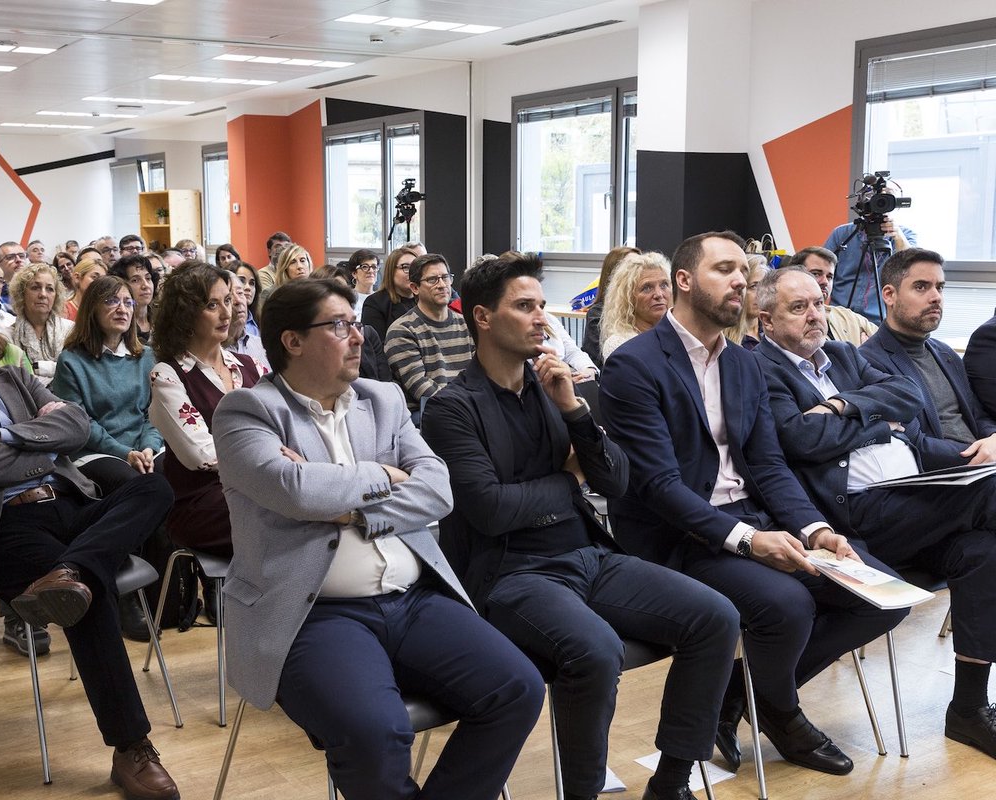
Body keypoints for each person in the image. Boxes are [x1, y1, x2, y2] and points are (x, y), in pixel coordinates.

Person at [420, 252, 739, 800]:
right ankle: (584, 793)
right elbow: (492, 510)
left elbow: (615, 481)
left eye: (541, 305)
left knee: (715, 617)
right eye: (524, 306)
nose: (541, 318)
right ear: (482, 317)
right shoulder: (451, 408)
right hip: (511, 573)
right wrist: (569, 482)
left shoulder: (552, 388)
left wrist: (572, 409)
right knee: (595, 652)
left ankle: (671, 782)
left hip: (586, 553)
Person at [210, 277, 544, 799]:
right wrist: (385, 474)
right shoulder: (247, 412)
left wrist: (350, 512)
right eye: (339, 325)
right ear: (293, 341)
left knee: (518, 689)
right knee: (375, 732)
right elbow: (295, 490)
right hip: (312, 612)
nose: (360, 336)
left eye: (356, 322)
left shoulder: (382, 398)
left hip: (413, 600)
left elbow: (438, 491)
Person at [600, 231, 907, 777]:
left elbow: (767, 465)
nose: (740, 280)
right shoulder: (634, 365)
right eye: (724, 269)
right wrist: (747, 540)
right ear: (684, 282)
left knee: (882, 593)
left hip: (753, 518)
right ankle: (784, 715)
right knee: (787, 604)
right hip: (681, 536)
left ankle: (747, 697)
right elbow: (657, 486)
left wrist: (814, 530)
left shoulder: (743, 364)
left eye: (743, 270)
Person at [0, 279, 181, 800]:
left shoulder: (10, 375)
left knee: (153, 486)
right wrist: (37, 441)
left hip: (65, 501)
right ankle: (133, 748)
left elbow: (77, 426)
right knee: (86, 603)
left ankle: (74, 571)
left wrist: (4, 439)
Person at [754, 265, 996, 760]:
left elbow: (907, 398)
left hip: (915, 495)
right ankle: (754, 690)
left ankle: (967, 709)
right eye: (798, 308)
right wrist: (876, 420)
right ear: (765, 321)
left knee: (984, 551)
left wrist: (840, 407)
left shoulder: (842, 354)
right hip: (855, 513)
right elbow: (800, 438)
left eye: (818, 304)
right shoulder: (760, 369)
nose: (815, 315)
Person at [149, 264, 263, 556]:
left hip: (261, 488)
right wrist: (273, 458)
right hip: (203, 503)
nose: (227, 313)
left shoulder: (250, 366)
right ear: (185, 313)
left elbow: (286, 428)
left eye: (227, 300)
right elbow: (200, 455)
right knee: (291, 519)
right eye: (212, 305)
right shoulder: (168, 375)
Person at [859, 247, 996, 462]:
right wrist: (978, 457)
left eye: (940, 287)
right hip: (946, 476)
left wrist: (994, 439)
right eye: (921, 287)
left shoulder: (946, 353)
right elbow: (913, 442)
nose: (936, 297)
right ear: (889, 295)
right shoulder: (869, 361)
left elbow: (977, 414)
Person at [52, 275, 162, 487]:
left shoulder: (146, 357)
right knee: (138, 484)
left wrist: (149, 447)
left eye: (128, 302)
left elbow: (155, 413)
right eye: (112, 301)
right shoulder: (72, 361)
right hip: (96, 451)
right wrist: (125, 453)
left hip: (145, 447)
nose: (123, 309)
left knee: (176, 473)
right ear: (92, 309)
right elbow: (81, 423)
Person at [384, 254, 472, 415]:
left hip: (469, 406)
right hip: (429, 412)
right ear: (415, 288)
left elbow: (479, 373)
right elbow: (421, 387)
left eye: (445, 277)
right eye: (432, 280)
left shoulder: (467, 323)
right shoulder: (402, 330)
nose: (442, 285)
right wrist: (465, 407)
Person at [823, 214, 916, 323]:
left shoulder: (905, 235)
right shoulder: (842, 234)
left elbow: (913, 269)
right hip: (839, 319)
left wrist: (898, 238)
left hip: (880, 322)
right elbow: (820, 270)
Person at [788, 246, 878, 345]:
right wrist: (863, 354)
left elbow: (888, 345)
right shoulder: (789, 321)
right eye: (816, 274)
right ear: (795, 275)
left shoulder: (846, 316)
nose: (825, 282)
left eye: (829, 276)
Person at [598, 251, 672, 361]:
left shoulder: (677, 334)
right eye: (647, 288)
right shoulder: (620, 343)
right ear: (627, 298)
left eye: (664, 285)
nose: (659, 294)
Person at [9, 263, 74, 386]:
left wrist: (40, 367)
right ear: (22, 293)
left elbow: (75, 371)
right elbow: (15, 379)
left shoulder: (71, 330)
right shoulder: (8, 336)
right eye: (35, 287)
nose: (43, 294)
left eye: (50, 289)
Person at [581, 246, 641, 367]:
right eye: (632, 268)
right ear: (614, 275)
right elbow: (597, 361)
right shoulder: (598, 314)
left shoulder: (646, 310)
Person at [361, 246, 417, 339]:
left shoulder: (425, 300)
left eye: (415, 267)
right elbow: (375, 346)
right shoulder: (375, 303)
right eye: (405, 267)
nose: (411, 272)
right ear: (391, 271)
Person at [109, 254, 158, 344]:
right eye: (135, 280)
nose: (145, 285)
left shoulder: (161, 317)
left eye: (148, 278)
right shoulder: (118, 323)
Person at [725, 254, 768, 349]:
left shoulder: (773, 332)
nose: (762, 294)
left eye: (764, 286)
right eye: (754, 286)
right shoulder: (721, 340)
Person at [66, 257, 108, 321]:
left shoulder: (103, 311)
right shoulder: (64, 310)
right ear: (77, 278)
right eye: (94, 277)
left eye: (103, 280)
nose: (100, 283)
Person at [347, 248, 380, 314]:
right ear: (354, 273)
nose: (371, 271)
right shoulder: (347, 298)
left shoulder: (381, 299)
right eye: (365, 267)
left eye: (374, 267)